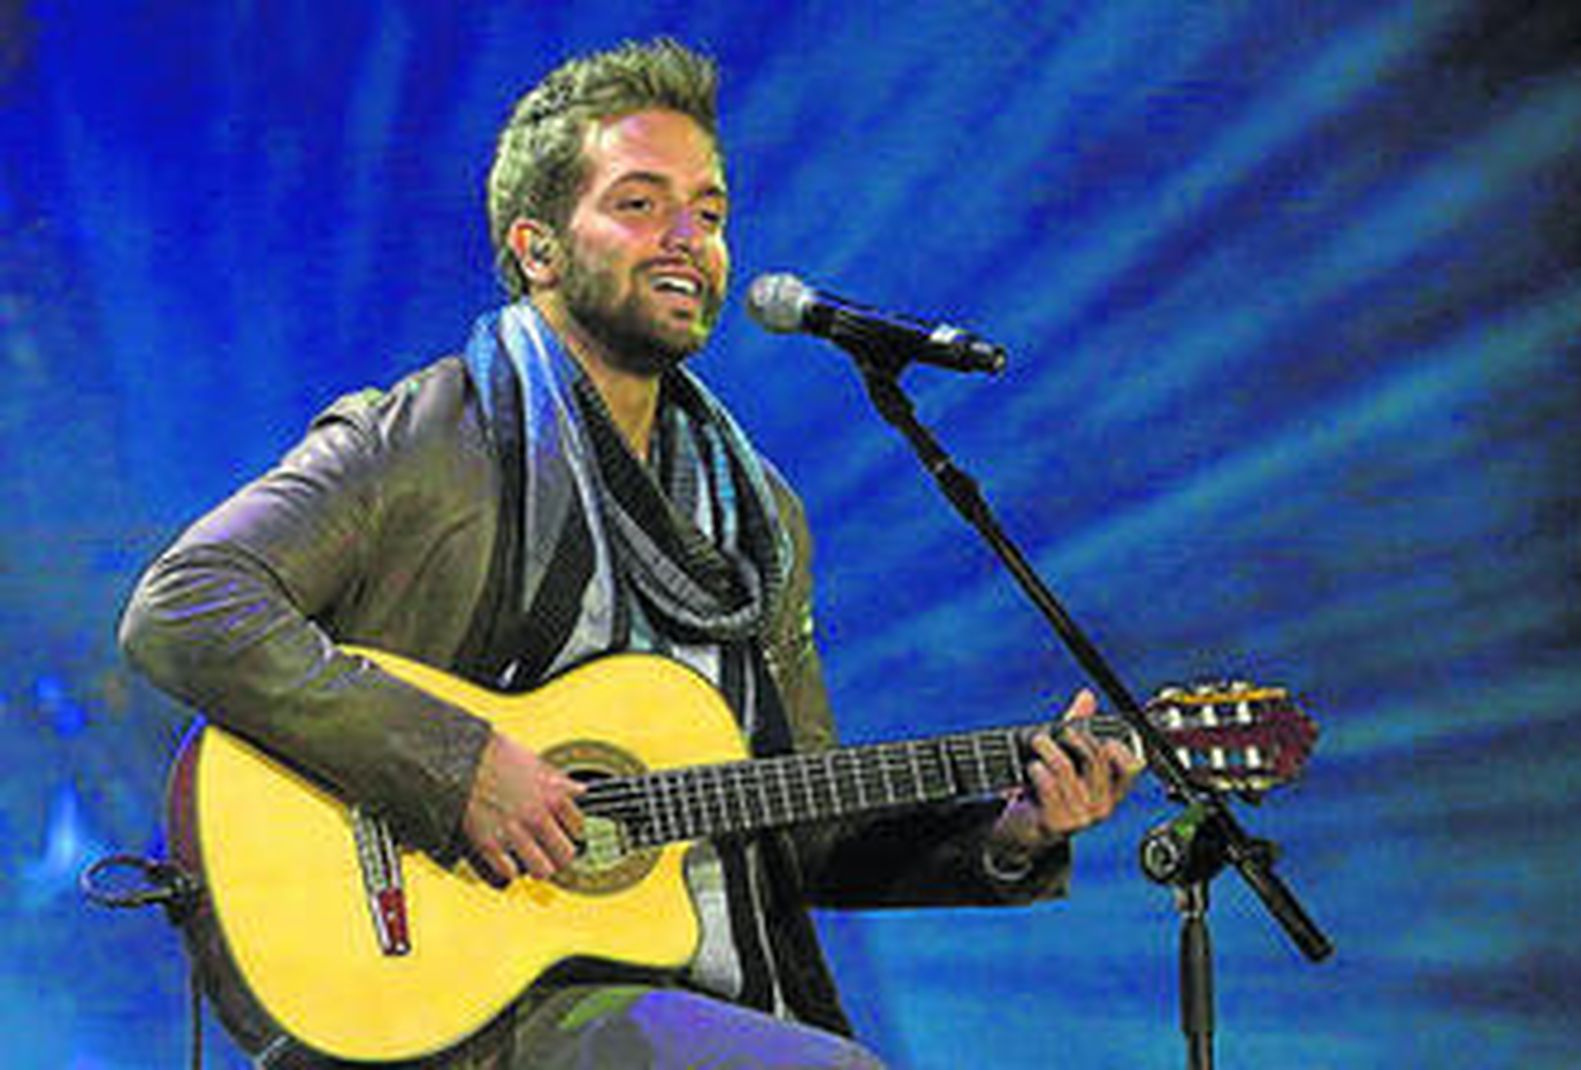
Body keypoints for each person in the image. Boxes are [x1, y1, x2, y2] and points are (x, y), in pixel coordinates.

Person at [119, 37, 1143, 1070]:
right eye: (641, 204)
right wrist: (456, 766)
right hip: (462, 998)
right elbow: (186, 603)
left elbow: (802, 826)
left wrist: (1008, 833)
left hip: (688, 994)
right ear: (538, 248)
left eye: (710, 212)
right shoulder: (423, 439)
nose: (688, 239)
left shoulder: (756, 517)